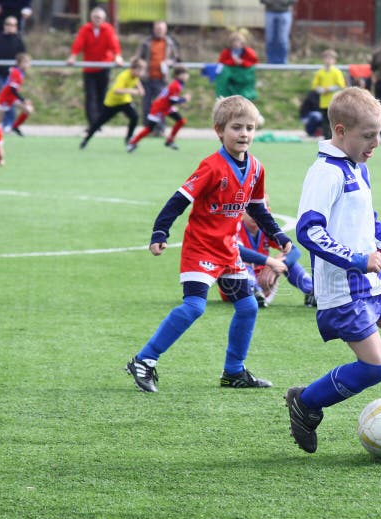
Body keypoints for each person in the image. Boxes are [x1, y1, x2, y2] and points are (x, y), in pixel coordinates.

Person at [287, 87, 381, 454]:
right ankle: (305, 402)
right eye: (368, 135)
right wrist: (356, 259)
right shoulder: (324, 173)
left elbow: (368, 222)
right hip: (343, 287)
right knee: (374, 368)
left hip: (376, 279)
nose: (376, 143)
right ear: (340, 131)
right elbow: (309, 231)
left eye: (379, 134)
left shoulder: (359, 168)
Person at [126, 95, 292, 393]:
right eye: (236, 127)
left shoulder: (256, 168)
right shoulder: (211, 166)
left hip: (228, 249)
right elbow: (178, 200)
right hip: (201, 247)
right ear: (219, 130)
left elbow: (257, 208)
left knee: (248, 307)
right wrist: (159, 233)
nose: (244, 134)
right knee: (194, 307)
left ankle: (234, 371)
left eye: (250, 128)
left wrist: (277, 235)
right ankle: (144, 360)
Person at [223, 202, 315, 308]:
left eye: (257, 211)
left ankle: (312, 291)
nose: (253, 215)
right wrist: (270, 261)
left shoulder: (267, 230)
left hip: (266, 281)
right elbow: (239, 251)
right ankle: (253, 291)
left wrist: (278, 264)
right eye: (250, 211)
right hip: (235, 285)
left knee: (286, 259)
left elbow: (294, 251)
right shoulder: (236, 228)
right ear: (243, 211)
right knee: (242, 261)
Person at [66, 6, 123, 130]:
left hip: (103, 67)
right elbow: (78, 43)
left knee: (102, 95)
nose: (97, 20)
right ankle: (92, 123)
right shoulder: (85, 29)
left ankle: (99, 122)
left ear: (104, 19)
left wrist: (117, 56)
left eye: (100, 18)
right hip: (89, 68)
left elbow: (114, 44)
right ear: (91, 18)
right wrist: (73, 56)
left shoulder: (108, 29)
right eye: (95, 17)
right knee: (90, 96)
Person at [80, 57, 145, 150]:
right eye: (139, 71)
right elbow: (116, 90)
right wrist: (131, 91)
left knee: (135, 117)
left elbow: (137, 80)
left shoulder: (136, 76)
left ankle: (129, 139)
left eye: (141, 71)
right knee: (99, 122)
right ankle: (86, 139)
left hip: (124, 101)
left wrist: (141, 88)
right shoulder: (123, 76)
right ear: (132, 69)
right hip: (112, 103)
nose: (140, 74)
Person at [126, 65, 190, 152]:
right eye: (185, 74)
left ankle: (170, 140)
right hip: (159, 108)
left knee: (181, 121)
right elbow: (172, 101)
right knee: (149, 128)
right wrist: (184, 99)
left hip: (166, 107)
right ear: (179, 75)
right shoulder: (175, 85)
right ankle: (133, 142)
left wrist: (180, 100)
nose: (187, 76)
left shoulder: (178, 84)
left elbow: (171, 99)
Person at [135, 20, 180, 136]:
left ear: (165, 30)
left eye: (161, 28)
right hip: (147, 78)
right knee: (146, 105)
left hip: (162, 79)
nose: (159, 30)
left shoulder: (170, 43)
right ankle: (147, 128)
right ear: (154, 29)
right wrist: (142, 65)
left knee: (161, 105)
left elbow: (176, 59)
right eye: (157, 28)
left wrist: (169, 62)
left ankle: (159, 129)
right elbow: (138, 58)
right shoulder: (146, 42)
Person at [0, 16, 25, 129]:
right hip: (0, 72)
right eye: (9, 24)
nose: (11, 27)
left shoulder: (18, 40)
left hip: (13, 75)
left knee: (11, 98)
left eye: (14, 25)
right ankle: (1, 122)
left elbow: (23, 56)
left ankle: (9, 123)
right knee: (3, 96)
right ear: (4, 25)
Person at [0, 51, 31, 136]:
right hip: (5, 97)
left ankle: (15, 127)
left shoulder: (21, 73)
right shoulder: (15, 72)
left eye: (28, 62)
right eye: (25, 62)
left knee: (28, 110)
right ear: (19, 63)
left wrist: (22, 100)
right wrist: (23, 100)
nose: (27, 64)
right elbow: (12, 89)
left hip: (12, 97)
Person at [311, 49, 345, 139]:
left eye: (331, 59)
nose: (328, 61)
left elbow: (341, 85)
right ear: (323, 60)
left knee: (335, 122)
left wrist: (329, 89)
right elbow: (315, 86)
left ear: (334, 60)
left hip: (335, 102)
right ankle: (327, 138)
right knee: (325, 121)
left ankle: (336, 139)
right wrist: (321, 90)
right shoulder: (319, 73)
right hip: (324, 102)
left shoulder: (336, 72)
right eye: (326, 58)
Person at [215, 31, 259, 100]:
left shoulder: (248, 52)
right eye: (234, 42)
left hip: (244, 75)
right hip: (230, 77)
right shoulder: (226, 52)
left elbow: (254, 62)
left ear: (242, 43)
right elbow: (222, 63)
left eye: (238, 42)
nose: (236, 44)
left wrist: (242, 62)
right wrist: (233, 62)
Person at [260, 0, 296, 64]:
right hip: (270, 12)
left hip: (284, 12)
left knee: (282, 39)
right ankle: (270, 61)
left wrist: (283, 2)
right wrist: (272, 2)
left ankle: (282, 61)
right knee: (270, 38)